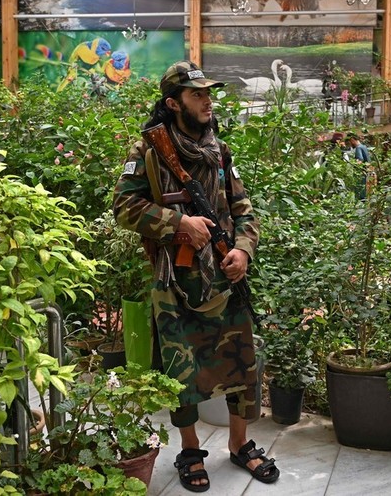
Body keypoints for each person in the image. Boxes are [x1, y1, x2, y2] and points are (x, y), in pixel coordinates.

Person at [113, 61, 279, 492]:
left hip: (224, 274)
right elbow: (124, 208)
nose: (207, 101)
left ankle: (240, 444)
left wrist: (243, 249)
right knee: (181, 371)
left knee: (242, 362)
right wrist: (178, 224)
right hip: (176, 280)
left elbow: (243, 209)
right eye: (197, 95)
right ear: (174, 103)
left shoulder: (218, 150)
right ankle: (190, 450)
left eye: (209, 94)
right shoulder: (147, 151)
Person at [348, 133, 371, 200]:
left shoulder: (358, 148)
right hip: (367, 170)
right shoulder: (364, 147)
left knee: (361, 189)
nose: (351, 144)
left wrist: (353, 164)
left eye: (351, 142)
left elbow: (360, 160)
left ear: (353, 140)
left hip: (361, 172)